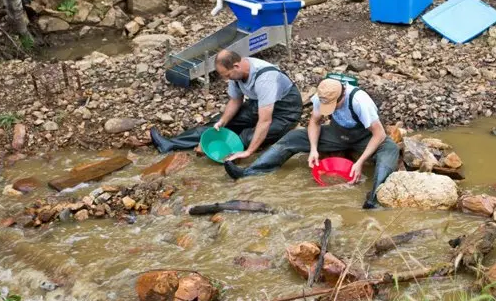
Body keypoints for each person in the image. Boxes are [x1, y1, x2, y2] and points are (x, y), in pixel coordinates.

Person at [224, 78, 400, 209]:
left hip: (365, 137)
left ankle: (373, 200)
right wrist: (314, 149)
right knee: (293, 138)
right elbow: (314, 122)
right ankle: (251, 171)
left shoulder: (360, 101)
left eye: (333, 105)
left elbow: (379, 134)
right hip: (337, 134)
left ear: (342, 95)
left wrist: (360, 162)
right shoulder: (321, 97)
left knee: (389, 150)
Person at [150, 50, 302, 158]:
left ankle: (221, 150)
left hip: (285, 112)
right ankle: (169, 144)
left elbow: (265, 120)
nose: (226, 80)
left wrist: (248, 152)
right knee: (216, 124)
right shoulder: (236, 75)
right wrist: (223, 122)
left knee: (246, 138)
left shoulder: (265, 78)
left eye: (227, 75)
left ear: (236, 66)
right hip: (258, 104)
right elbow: (235, 100)